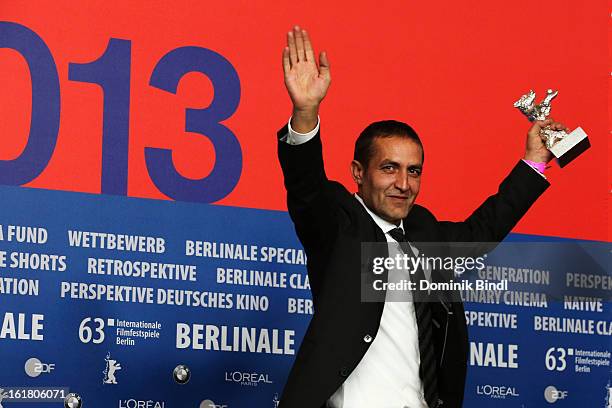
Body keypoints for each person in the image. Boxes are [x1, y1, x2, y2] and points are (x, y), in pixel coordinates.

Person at [276, 25, 567, 408]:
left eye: (414, 171)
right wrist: (305, 113)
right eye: (389, 168)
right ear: (358, 173)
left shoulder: (423, 231)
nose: (403, 183)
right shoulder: (339, 226)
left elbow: (484, 229)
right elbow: (306, 186)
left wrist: (534, 163)